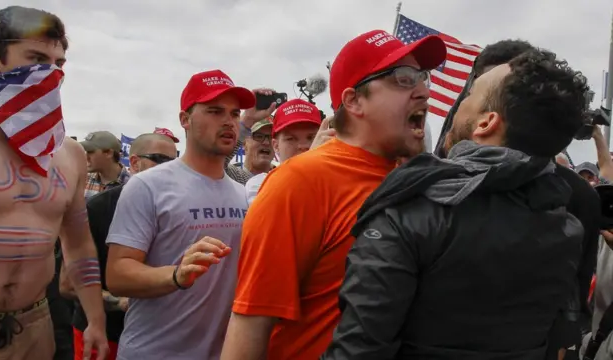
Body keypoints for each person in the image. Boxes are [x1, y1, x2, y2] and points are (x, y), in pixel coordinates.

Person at [321, 48, 589, 359]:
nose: (456, 104)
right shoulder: (566, 226)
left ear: (486, 123)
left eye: (470, 94)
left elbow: (358, 351)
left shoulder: (412, 214)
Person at [221, 30, 447, 360]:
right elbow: (250, 328)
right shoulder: (299, 182)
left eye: (422, 78)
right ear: (354, 100)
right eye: (403, 78)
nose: (424, 92)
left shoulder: (420, 181)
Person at [0, 6, 108, 360]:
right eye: (35, 57)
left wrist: (95, 319)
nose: (50, 73)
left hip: (36, 326)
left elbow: (78, 244)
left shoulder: (69, 154)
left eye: (58, 63)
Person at [105, 69, 254, 360]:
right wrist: (175, 274)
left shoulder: (242, 193)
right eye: (214, 111)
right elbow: (118, 274)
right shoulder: (147, 185)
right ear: (185, 119)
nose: (228, 121)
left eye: (234, 114)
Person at [60, 134, 177, 360]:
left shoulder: (179, 209)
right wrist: (122, 302)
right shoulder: (99, 208)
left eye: (174, 163)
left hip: (159, 337)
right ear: (134, 163)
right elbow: (67, 284)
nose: (169, 170)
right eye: (159, 160)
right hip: (103, 335)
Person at [245, 99, 322, 205]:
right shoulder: (260, 184)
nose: (303, 146)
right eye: (291, 139)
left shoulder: (333, 181)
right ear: (276, 145)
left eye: (311, 138)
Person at [81, 131, 130, 200]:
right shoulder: (83, 180)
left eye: (90, 152)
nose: (86, 157)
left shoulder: (131, 185)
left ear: (108, 153)